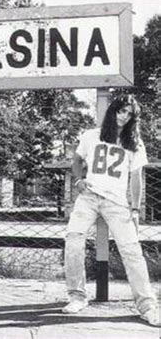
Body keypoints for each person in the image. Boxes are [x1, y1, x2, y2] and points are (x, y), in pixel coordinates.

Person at [63, 95, 160, 327]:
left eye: (129, 114)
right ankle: (77, 296)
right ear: (113, 110)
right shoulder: (91, 135)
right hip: (89, 197)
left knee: (131, 250)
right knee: (73, 240)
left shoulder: (134, 143)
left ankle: (147, 306)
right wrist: (78, 181)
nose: (123, 116)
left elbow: (136, 178)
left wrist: (136, 209)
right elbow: (77, 161)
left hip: (117, 202)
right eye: (121, 111)